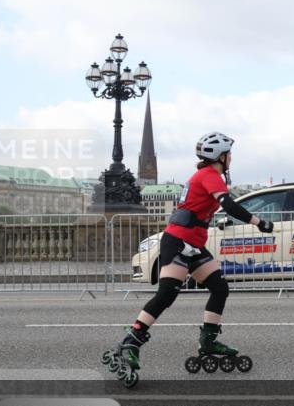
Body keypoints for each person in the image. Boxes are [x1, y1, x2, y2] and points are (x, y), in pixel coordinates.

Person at [109, 132, 274, 381]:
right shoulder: (209, 175)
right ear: (221, 156)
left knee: (219, 288)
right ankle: (131, 340)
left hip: (194, 244)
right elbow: (228, 205)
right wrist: (259, 222)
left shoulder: (207, 176)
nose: (232, 159)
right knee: (166, 294)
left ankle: (208, 341)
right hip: (177, 241)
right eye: (230, 154)